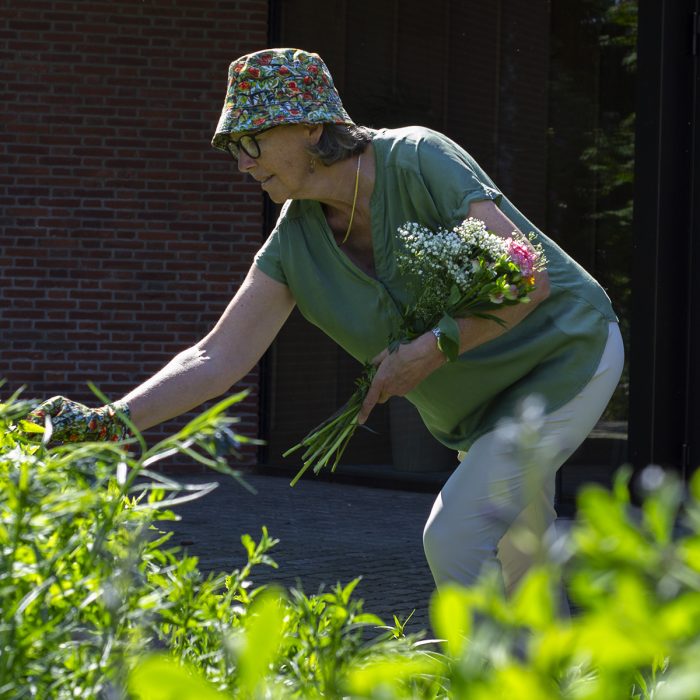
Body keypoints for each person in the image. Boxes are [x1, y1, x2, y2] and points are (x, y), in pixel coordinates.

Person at [27, 48, 623, 597]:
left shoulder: (419, 158)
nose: (240, 164)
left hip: (564, 357)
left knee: (455, 537)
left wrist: (434, 347)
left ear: (313, 127)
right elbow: (216, 357)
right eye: (233, 148)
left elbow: (525, 274)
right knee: (525, 567)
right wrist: (107, 423)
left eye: (251, 141)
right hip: (482, 412)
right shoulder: (295, 240)